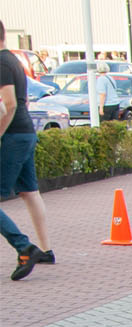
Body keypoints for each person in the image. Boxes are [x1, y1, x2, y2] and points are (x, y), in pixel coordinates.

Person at [0, 20, 53, 273]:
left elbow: (8, 105)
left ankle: (24, 248)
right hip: (26, 132)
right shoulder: (14, 61)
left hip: (13, 137)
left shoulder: (1, 63)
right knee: (30, 192)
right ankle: (45, 250)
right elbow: (20, 102)